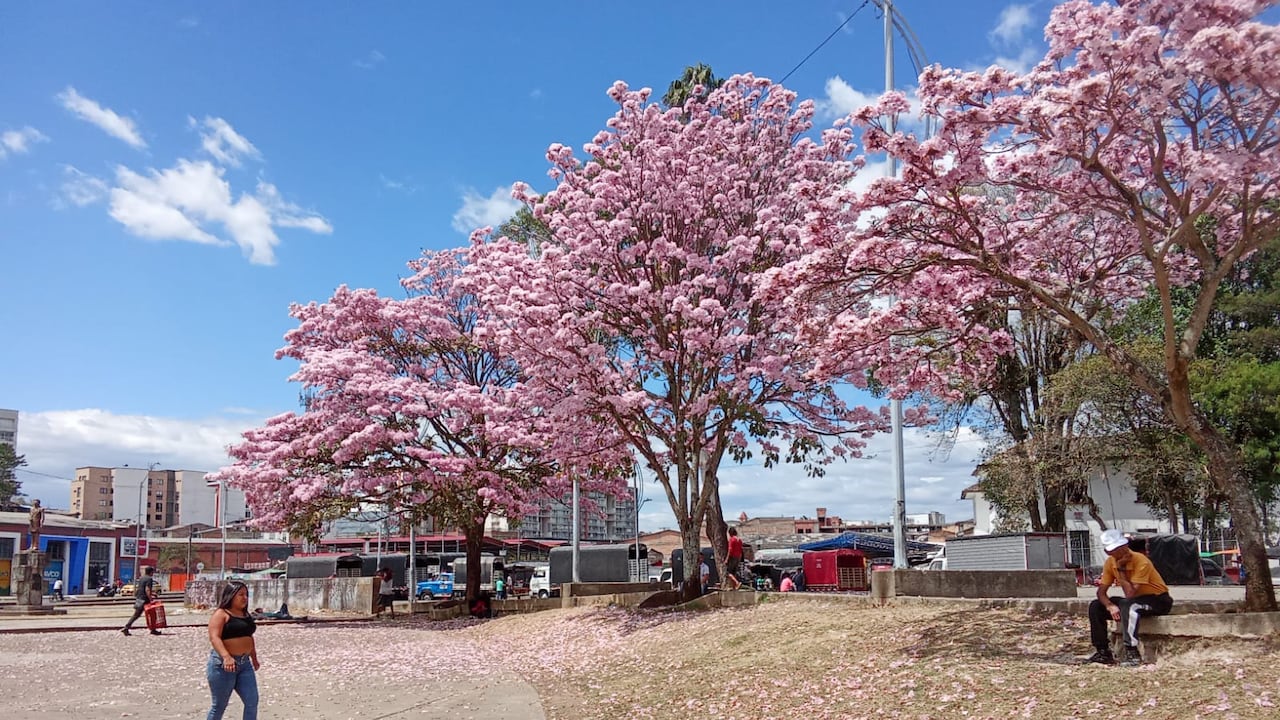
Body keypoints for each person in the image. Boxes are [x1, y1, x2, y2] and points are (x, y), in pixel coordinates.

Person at [1087, 529, 1173, 666]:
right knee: (1096, 606)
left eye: (1123, 547)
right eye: (1117, 549)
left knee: (1129, 604)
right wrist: (1110, 606)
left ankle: (1132, 651)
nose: (1122, 551)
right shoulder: (1110, 562)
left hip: (1157, 599)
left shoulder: (1141, 561)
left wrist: (1121, 570)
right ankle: (1103, 651)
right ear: (1108, 552)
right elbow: (1101, 592)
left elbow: (1130, 594)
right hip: (1135, 600)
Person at [205, 581, 260, 720]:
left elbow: (249, 637)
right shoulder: (221, 614)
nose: (245, 598)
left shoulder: (245, 615)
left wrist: (254, 657)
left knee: (252, 701)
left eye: (246, 594)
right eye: (240, 594)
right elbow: (214, 637)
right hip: (223, 665)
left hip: (245, 664)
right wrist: (226, 657)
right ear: (231, 596)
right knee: (219, 705)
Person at [121, 566, 160, 636]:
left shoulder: (142, 578)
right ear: (151, 572)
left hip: (139, 598)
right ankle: (153, 630)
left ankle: (126, 627)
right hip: (145, 600)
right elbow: (147, 589)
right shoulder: (149, 579)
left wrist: (152, 593)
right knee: (152, 614)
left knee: (136, 614)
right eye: (153, 572)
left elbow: (141, 588)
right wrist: (151, 598)